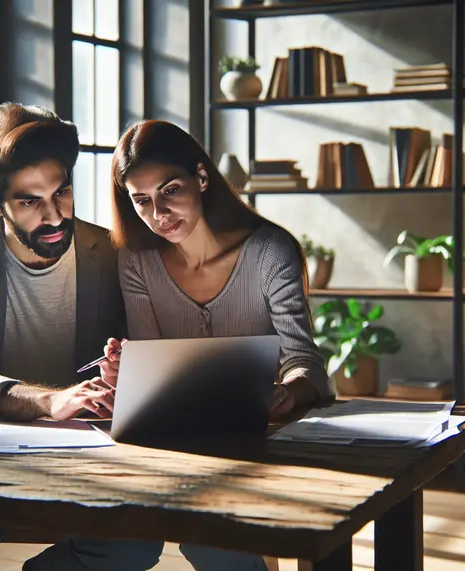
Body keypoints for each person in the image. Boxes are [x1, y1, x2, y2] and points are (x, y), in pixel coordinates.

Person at [0, 102, 162, 571]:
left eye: (62, 192)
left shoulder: (112, 251)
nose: (56, 215)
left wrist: (127, 374)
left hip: (95, 460)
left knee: (133, 545)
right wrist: (49, 403)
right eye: (30, 201)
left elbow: (144, 357)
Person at [100, 119, 334, 571]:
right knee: (116, 539)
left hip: (260, 442)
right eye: (141, 201)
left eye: (170, 191)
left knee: (218, 543)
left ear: (201, 177)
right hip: (177, 447)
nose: (158, 214)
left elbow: (305, 363)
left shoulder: (269, 252)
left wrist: (289, 392)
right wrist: (126, 376)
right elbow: (154, 361)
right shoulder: (137, 261)